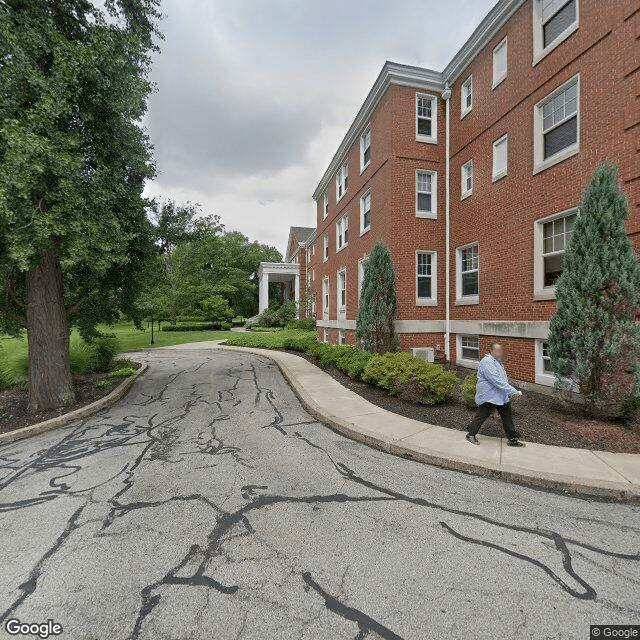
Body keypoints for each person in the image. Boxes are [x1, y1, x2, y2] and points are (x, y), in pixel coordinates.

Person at [466, 342, 524, 447]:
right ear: (492, 351)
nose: (500, 353)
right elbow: (496, 381)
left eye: (501, 351)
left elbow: (503, 380)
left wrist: (509, 392)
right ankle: (470, 434)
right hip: (489, 396)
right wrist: (513, 391)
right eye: (498, 351)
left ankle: (512, 439)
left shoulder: (497, 362)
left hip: (500, 396)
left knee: (507, 416)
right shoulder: (487, 362)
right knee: (482, 415)